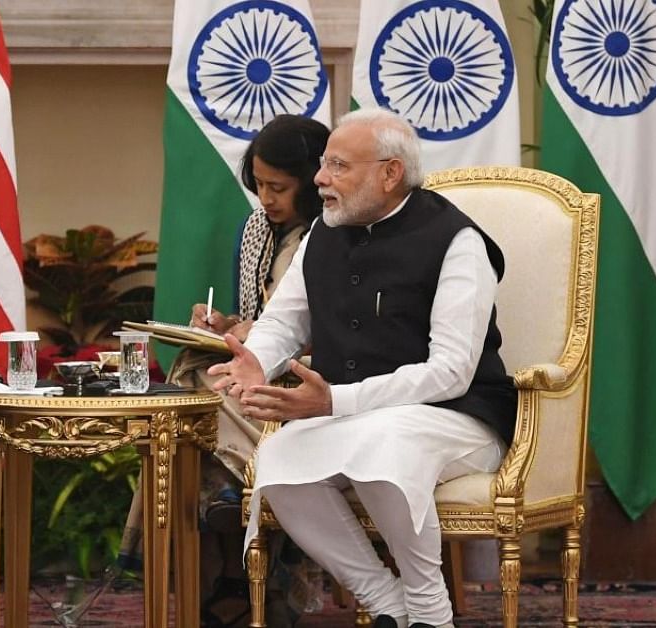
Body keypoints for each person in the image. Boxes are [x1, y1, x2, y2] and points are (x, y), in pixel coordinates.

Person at [208, 108, 517, 628]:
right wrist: (255, 361)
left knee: (386, 441)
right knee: (279, 460)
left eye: (337, 166)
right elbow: (284, 320)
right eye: (323, 165)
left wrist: (334, 401)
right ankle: (386, 602)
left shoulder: (457, 243)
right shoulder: (323, 235)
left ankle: (427, 606)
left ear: (390, 173)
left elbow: (450, 373)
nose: (320, 179)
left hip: (458, 416)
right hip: (358, 419)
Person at [164, 114, 329, 627]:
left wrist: (255, 339)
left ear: (312, 180)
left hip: (318, 380)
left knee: (196, 393)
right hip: (260, 367)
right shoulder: (259, 228)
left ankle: (231, 494)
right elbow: (266, 317)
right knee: (196, 368)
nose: (266, 198)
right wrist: (223, 325)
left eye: (279, 187)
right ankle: (231, 498)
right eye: (258, 185)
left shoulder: (337, 230)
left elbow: (324, 327)